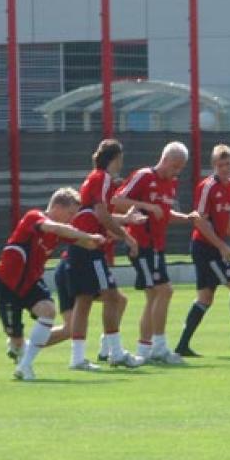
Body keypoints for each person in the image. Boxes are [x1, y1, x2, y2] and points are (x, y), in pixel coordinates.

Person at [0, 188, 105, 381]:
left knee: (48, 311)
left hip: (30, 284)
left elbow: (83, 242)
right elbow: (57, 229)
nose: (71, 219)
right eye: (70, 214)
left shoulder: (59, 230)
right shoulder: (34, 217)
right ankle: (19, 348)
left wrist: (103, 237)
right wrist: (88, 236)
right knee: (16, 341)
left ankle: (25, 366)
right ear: (57, 207)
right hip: (7, 285)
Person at [174, 144, 230, 358]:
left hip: (212, 248)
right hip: (206, 248)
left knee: (205, 298)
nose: (225, 168)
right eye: (220, 164)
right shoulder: (208, 187)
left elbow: (228, 218)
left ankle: (182, 345)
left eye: (228, 164)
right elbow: (200, 222)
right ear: (214, 166)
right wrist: (222, 246)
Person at [111, 141, 194, 364]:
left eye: (180, 168)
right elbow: (116, 201)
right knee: (164, 291)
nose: (177, 172)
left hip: (157, 246)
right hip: (141, 243)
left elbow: (163, 214)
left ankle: (145, 349)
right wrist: (146, 206)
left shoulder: (171, 184)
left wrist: (186, 218)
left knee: (154, 295)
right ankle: (158, 347)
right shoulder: (144, 176)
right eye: (175, 166)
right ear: (165, 159)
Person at [67, 139, 145, 370]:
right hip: (90, 246)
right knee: (111, 297)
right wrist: (128, 236)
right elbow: (101, 214)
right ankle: (116, 353)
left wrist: (125, 221)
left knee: (84, 300)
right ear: (116, 158)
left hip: (81, 242)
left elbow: (96, 214)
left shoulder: (97, 178)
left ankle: (78, 358)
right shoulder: (102, 178)